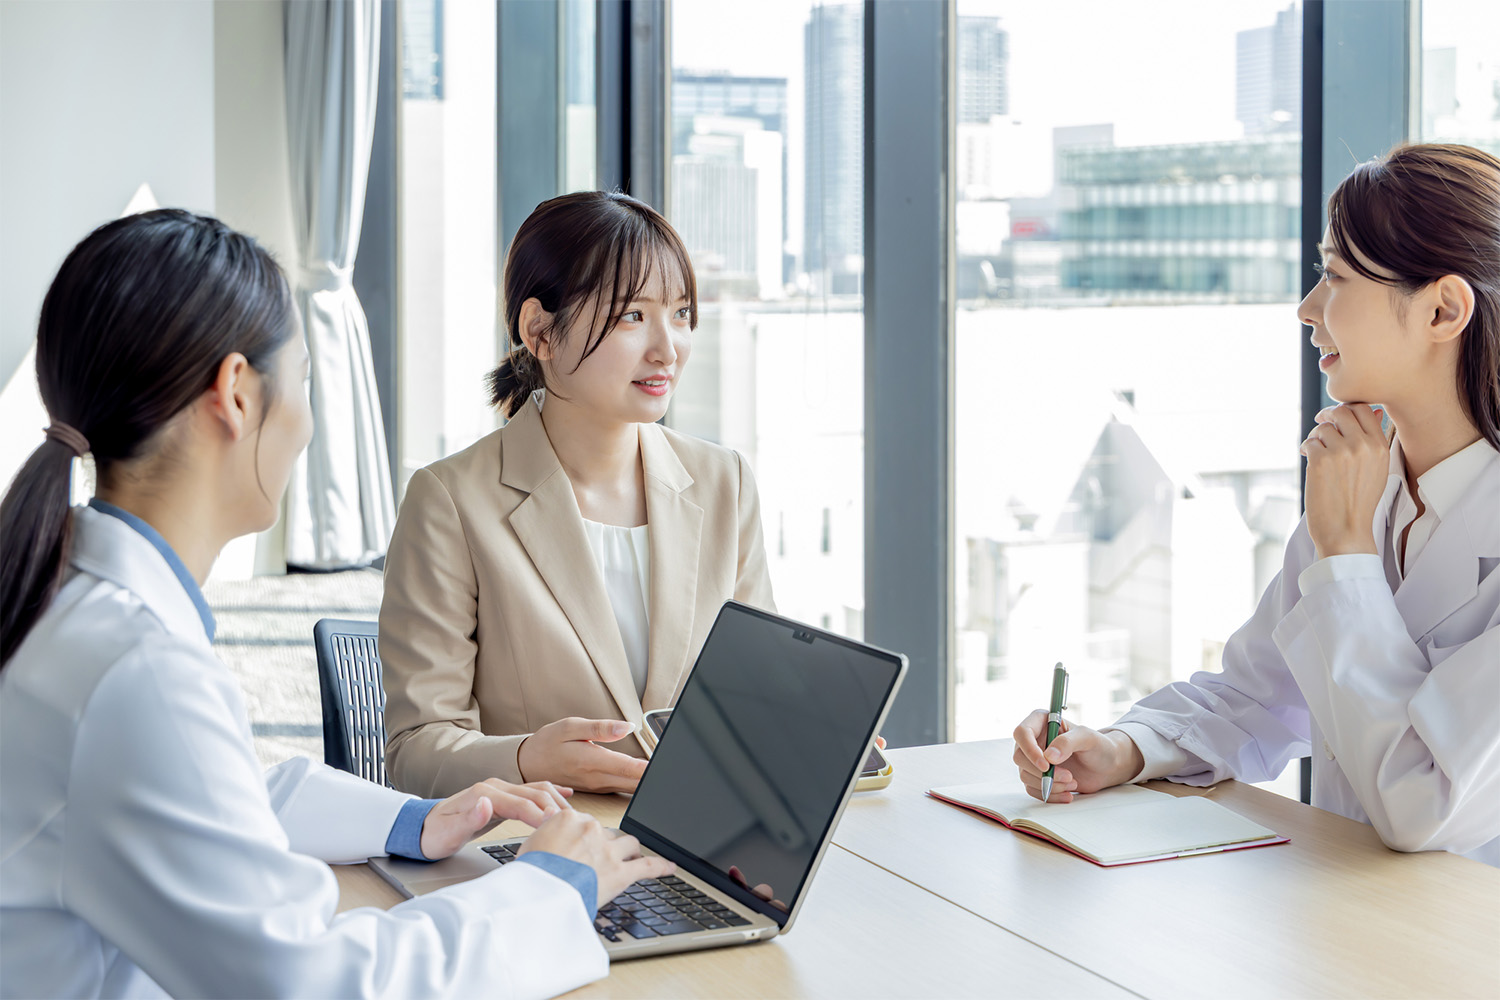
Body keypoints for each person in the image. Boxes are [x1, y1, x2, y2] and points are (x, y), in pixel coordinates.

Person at [0, 210, 672, 999]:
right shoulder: (137, 674)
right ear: (238, 396)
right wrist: (552, 886)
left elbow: (209, 803)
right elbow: (313, 984)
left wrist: (411, 822)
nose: (309, 426)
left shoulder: (72, 607)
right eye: (307, 383)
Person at [1012, 142, 1500, 867]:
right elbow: (1258, 693)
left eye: (1334, 276)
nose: (1308, 309)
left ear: (1443, 309)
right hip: (1351, 921)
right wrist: (1123, 749)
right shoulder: (1366, 482)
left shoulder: (1348, 517)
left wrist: (1347, 559)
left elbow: (1419, 804)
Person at [380, 191, 775, 798]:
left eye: (680, 313)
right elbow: (415, 752)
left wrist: (805, 735)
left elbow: (758, 694)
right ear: (540, 331)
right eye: (631, 316)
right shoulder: (450, 502)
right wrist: (527, 758)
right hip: (538, 854)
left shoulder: (726, 483)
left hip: (699, 847)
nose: (667, 348)